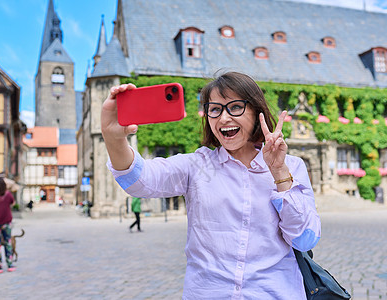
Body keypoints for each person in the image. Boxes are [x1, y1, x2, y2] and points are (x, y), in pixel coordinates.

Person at [101, 72, 321, 299]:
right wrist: (113, 137)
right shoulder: (196, 166)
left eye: (235, 107)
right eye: (215, 109)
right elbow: (138, 180)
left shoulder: (291, 166)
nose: (224, 118)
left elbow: (304, 239)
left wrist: (279, 173)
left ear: (256, 112)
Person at [0, 177, 16, 273]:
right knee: (8, 243)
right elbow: (13, 203)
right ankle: (10, 265)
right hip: (6, 223)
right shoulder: (8, 195)